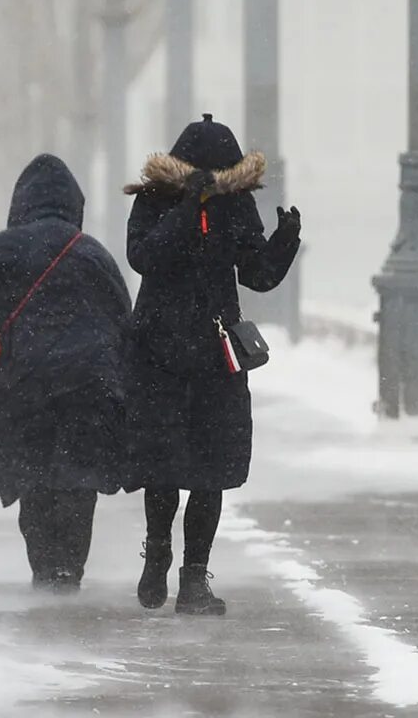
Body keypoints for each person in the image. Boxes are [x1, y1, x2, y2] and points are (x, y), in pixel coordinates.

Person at [123, 114, 302, 615]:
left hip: (214, 357)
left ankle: (194, 580)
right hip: (158, 355)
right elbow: (145, 258)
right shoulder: (152, 200)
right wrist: (189, 206)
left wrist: (285, 240)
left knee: (210, 471)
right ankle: (157, 552)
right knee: (162, 468)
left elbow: (258, 276)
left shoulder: (237, 205)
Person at [0, 154, 131, 595]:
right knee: (78, 479)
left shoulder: (6, 246)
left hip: (26, 382)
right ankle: (69, 572)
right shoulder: (90, 251)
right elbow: (125, 316)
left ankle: (45, 569)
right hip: (88, 384)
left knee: (34, 475)